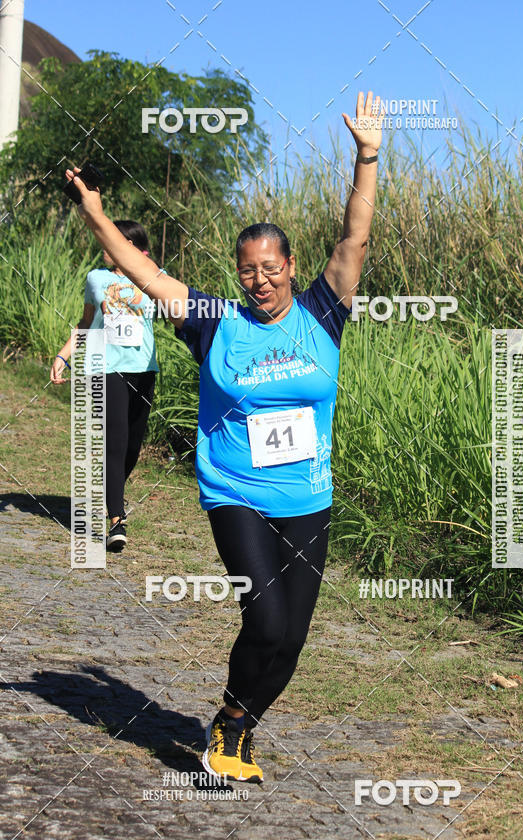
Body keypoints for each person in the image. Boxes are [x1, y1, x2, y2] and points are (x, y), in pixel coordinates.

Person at [66, 90, 382, 782]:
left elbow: (354, 239)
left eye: (272, 267)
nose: (260, 279)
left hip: (307, 496)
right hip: (236, 492)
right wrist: (94, 213)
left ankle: (239, 722)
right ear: (237, 273)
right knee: (265, 621)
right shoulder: (215, 322)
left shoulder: (324, 313)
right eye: (248, 269)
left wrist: (366, 156)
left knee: (290, 642)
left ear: (291, 267)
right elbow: (143, 272)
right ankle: (229, 729)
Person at [51, 221, 159, 552]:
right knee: (116, 440)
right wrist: (64, 355)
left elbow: (178, 311)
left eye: (112, 240)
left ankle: (112, 491)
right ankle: (117, 519)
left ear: (130, 246)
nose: (104, 245)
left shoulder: (154, 276)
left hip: (145, 369)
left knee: (132, 447)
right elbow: (86, 323)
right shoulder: (96, 278)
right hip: (104, 368)